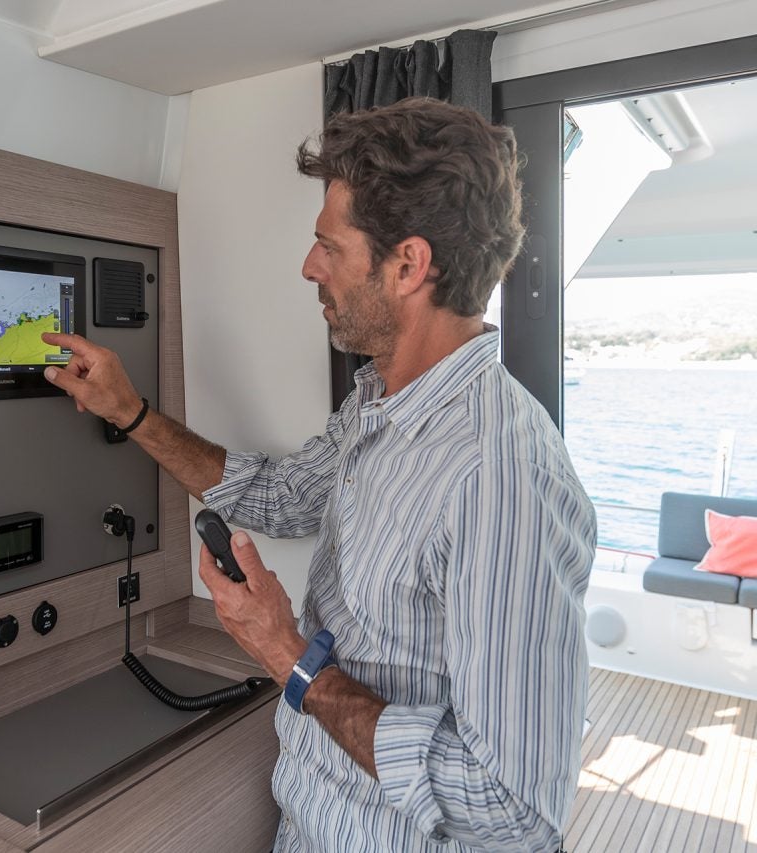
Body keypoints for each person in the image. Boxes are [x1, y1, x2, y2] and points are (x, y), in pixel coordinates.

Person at [41, 97, 595, 852]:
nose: (309, 267)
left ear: (409, 265)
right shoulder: (379, 399)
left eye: (328, 246)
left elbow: (508, 810)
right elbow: (277, 494)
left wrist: (286, 654)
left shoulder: (500, 477)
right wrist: (131, 411)